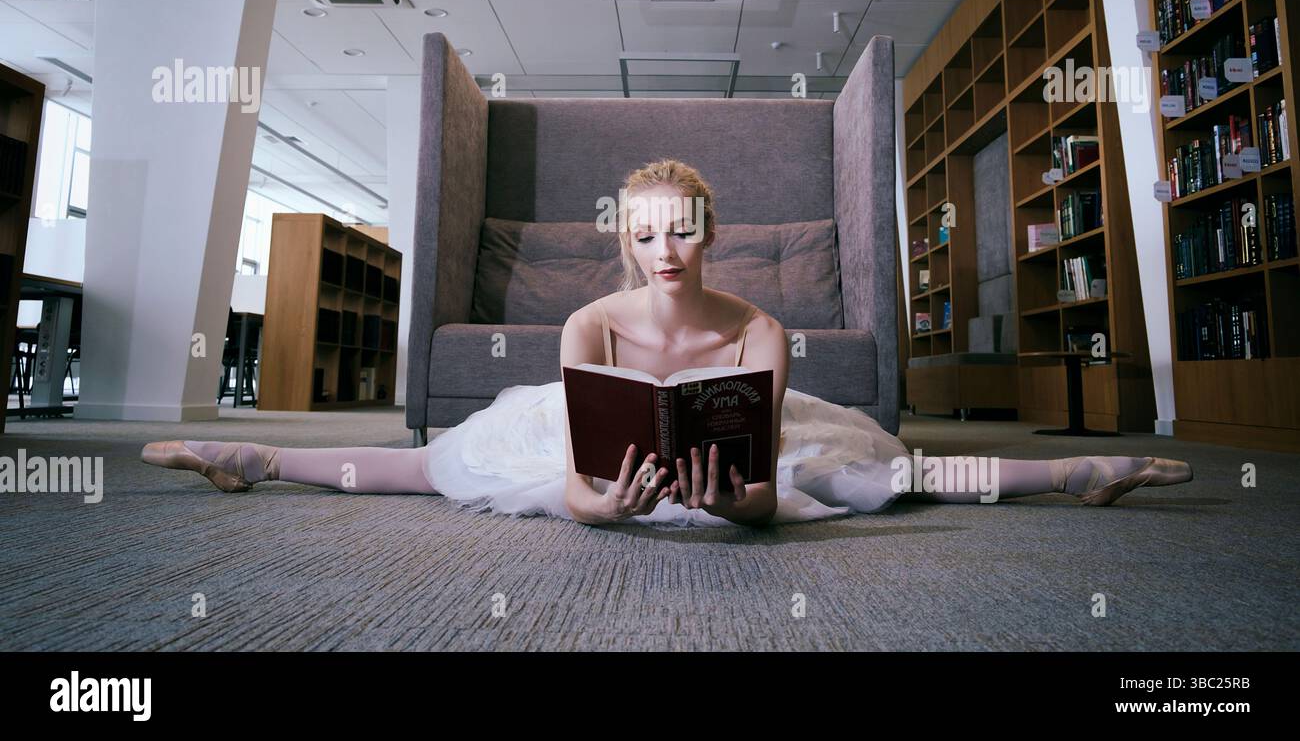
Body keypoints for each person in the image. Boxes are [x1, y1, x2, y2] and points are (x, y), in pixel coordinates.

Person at [143, 158, 1192, 527]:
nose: (665, 247)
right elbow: (586, 454)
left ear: (711, 231)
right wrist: (587, 503)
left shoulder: (761, 328)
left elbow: (759, 456)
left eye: (682, 227)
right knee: (437, 464)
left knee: (882, 478)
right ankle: (260, 456)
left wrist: (744, 506)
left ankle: (1075, 471)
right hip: (587, 443)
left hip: (741, 456)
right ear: (622, 240)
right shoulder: (588, 320)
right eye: (643, 232)